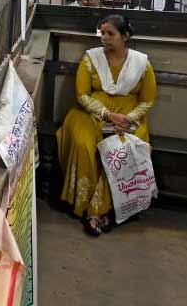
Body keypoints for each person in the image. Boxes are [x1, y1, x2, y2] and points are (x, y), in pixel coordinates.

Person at [56, 15, 157, 236]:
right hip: (91, 112)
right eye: (102, 33)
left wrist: (128, 119)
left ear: (125, 37)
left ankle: (104, 210)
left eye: (110, 34)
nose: (104, 38)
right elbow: (82, 95)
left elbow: (147, 100)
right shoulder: (90, 59)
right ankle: (86, 207)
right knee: (83, 144)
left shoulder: (142, 64)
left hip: (129, 116)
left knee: (124, 149)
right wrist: (108, 115)